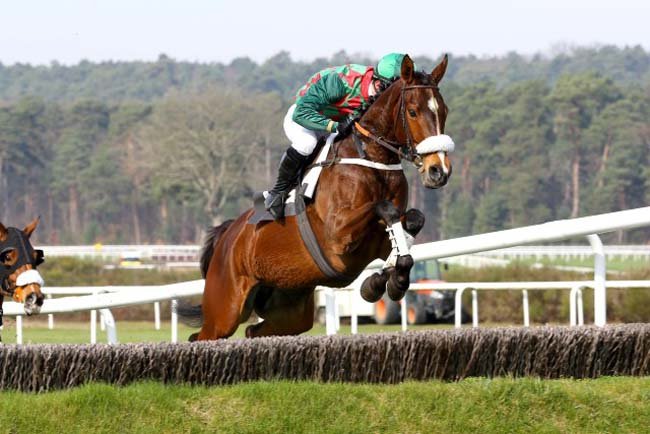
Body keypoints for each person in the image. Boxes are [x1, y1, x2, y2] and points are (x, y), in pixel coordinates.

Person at [264, 53, 414, 220]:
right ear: (378, 83)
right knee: (307, 143)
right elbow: (301, 113)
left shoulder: (378, 94)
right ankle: (278, 192)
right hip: (306, 116)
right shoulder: (340, 82)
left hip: (337, 122)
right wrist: (334, 126)